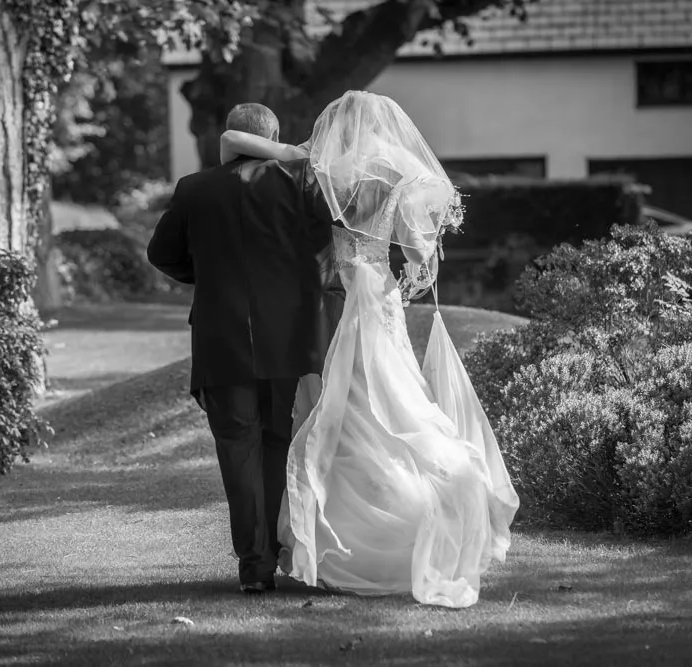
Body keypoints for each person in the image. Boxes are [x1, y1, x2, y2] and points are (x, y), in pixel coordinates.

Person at [219, 90, 520, 608]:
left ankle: (341, 538)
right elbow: (419, 250)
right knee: (391, 395)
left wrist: (293, 151)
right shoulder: (400, 174)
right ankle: (428, 506)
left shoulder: (322, 171)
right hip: (378, 291)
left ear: (337, 125)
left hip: (334, 297)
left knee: (339, 402)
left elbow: (232, 141)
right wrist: (422, 265)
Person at [146, 103, 334, 593]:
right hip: (287, 337)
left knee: (236, 447)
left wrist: (204, 275)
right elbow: (321, 250)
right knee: (275, 443)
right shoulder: (302, 186)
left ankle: (254, 565)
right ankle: (267, 556)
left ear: (232, 139)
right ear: (271, 138)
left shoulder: (194, 188)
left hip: (220, 335)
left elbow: (160, 254)